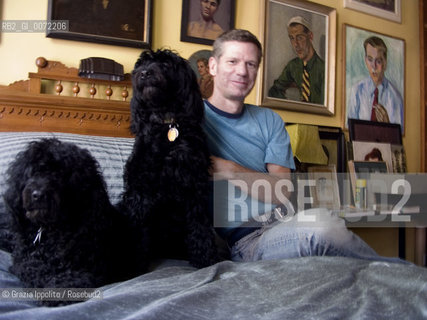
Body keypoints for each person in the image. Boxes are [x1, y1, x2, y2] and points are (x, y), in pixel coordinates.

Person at [203, 29, 403, 263]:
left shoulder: (270, 120)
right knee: (322, 227)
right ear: (213, 66)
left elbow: (281, 191)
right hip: (248, 240)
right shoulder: (190, 118)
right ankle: (397, 271)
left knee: (325, 220)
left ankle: (396, 273)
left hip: (287, 221)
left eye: (251, 64)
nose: (242, 71)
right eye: (233, 61)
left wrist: (228, 170)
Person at [347, 36, 403, 128]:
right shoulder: (357, 91)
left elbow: (398, 138)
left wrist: (387, 124)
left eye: (378, 61)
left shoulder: (395, 98)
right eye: (370, 59)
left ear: (385, 63)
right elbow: (350, 129)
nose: (373, 66)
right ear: (365, 60)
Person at [268, 16, 324, 104]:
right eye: (292, 38)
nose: (295, 44)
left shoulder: (323, 69)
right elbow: (274, 90)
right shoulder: (293, 66)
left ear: (310, 36)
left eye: (300, 37)